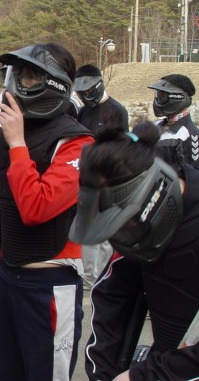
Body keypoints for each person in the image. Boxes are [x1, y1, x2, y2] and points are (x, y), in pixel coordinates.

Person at [69, 121, 199, 380]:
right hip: (169, 364)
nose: (121, 234)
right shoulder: (136, 234)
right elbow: (112, 302)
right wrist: (103, 374)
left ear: (153, 196)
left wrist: (142, 376)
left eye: (124, 223)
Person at [0, 42, 94, 381]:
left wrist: (17, 144)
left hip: (50, 283)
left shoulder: (77, 143)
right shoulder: (4, 138)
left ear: (54, 83)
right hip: (8, 278)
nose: (18, 85)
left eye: (30, 77)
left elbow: (36, 208)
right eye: (17, 76)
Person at [73, 63, 129, 289]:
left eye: (87, 91)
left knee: (105, 234)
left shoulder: (116, 111)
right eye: (80, 93)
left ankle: (104, 275)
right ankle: (89, 276)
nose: (84, 96)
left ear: (97, 86)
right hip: (86, 178)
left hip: (108, 180)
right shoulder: (83, 111)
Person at [148, 74, 199, 170]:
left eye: (162, 95)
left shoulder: (190, 135)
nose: (158, 100)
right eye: (158, 95)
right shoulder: (155, 127)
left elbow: (191, 175)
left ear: (178, 96)